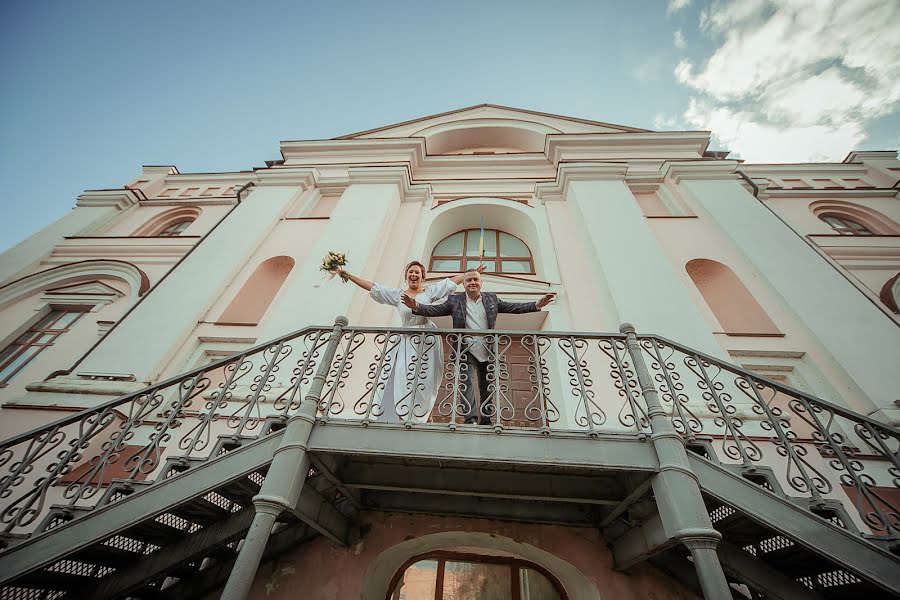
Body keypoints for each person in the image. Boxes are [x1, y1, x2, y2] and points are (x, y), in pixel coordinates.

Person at [335, 261, 484, 423]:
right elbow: (373, 287)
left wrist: (472, 273)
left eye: (417, 273)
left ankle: (427, 416)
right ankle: (403, 415)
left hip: (427, 341)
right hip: (406, 341)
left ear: (422, 277)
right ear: (406, 275)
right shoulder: (397, 294)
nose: (414, 275)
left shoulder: (429, 292)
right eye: (411, 272)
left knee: (426, 380)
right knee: (403, 377)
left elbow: (451, 281)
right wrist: (347, 275)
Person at [401, 269, 555, 425]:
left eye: (475, 279)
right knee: (465, 381)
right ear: (464, 284)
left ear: (481, 282)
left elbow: (514, 307)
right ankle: (471, 419)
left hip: (488, 350)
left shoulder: (491, 299)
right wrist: (417, 306)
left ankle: (486, 420)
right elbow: (434, 310)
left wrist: (537, 304)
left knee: (487, 385)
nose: (472, 282)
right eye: (468, 280)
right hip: (465, 350)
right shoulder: (455, 300)